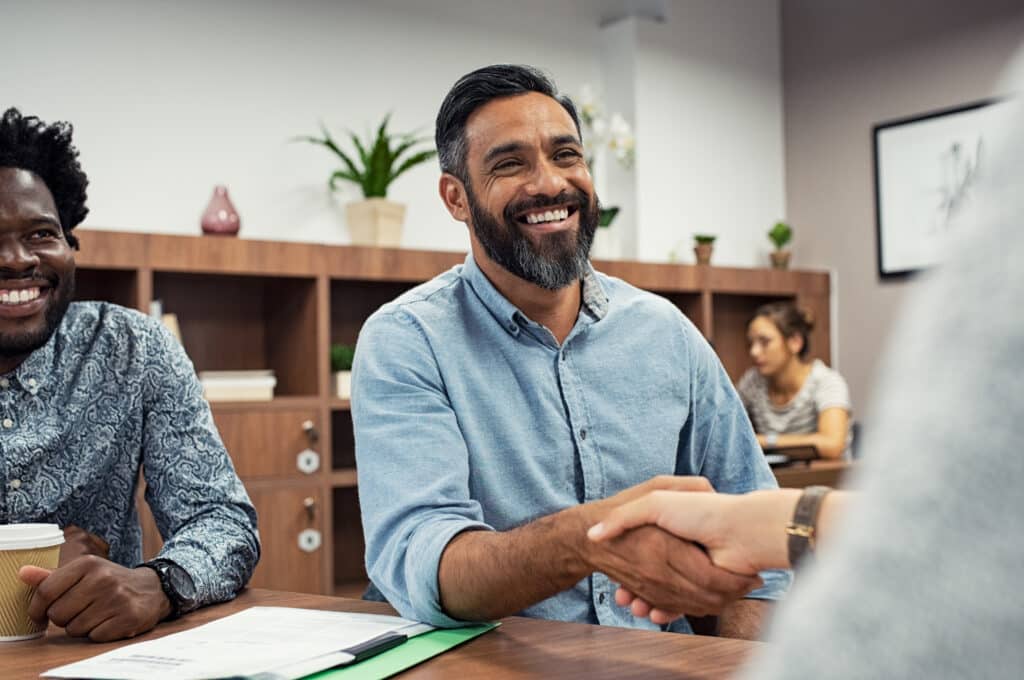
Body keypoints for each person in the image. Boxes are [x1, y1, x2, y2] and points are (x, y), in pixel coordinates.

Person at [587, 87, 1024, 677]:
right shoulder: (748, 386)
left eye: (766, 340)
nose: (756, 352)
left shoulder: (826, 385)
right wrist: (769, 525)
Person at [352, 64, 789, 639]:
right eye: (510, 164)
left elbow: (762, 558)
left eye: (566, 155)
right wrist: (594, 539)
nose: (550, 184)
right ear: (455, 198)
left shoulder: (667, 334)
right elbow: (426, 568)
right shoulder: (408, 342)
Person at [0, 107, 259, 642]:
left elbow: (222, 520)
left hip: (94, 657)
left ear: (71, 246)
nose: (17, 259)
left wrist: (157, 584)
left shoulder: (132, 349)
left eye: (42, 233)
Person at [737, 302, 851, 458]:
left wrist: (765, 441)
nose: (754, 352)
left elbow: (832, 445)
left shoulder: (827, 382)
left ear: (795, 342)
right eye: (751, 343)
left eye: (765, 342)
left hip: (826, 479)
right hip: (777, 480)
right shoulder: (752, 382)